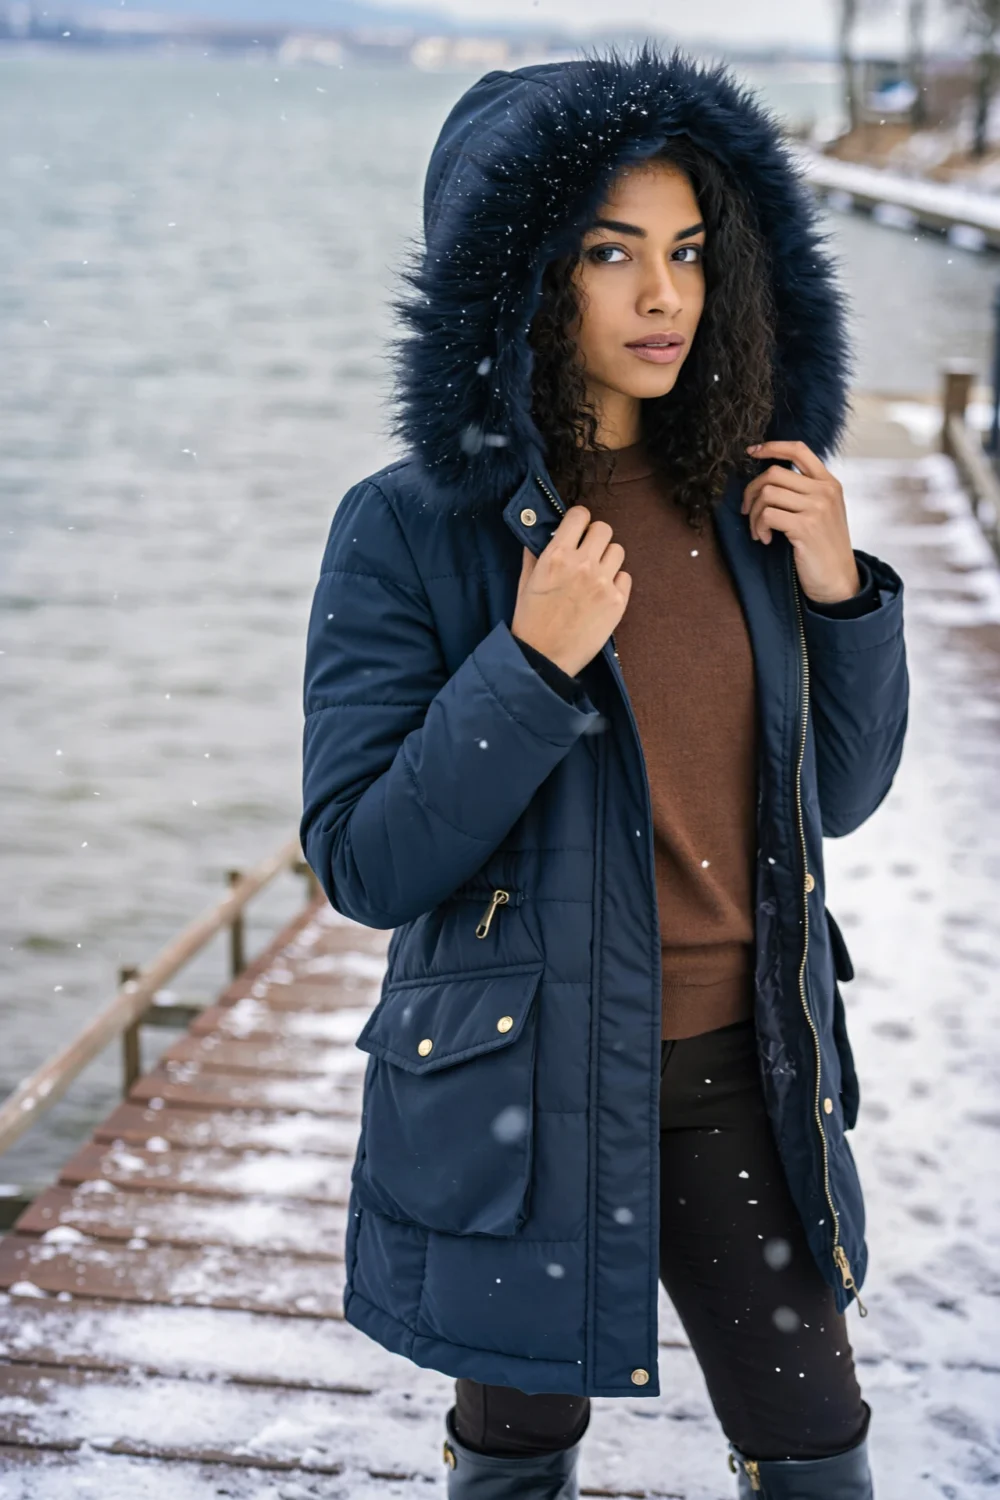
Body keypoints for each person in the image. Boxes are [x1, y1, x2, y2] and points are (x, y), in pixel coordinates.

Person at [300, 43, 909, 1499]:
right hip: (525, 1086)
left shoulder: (748, 500)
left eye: (691, 253)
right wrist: (528, 663)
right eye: (610, 254)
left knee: (815, 1442)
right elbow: (365, 861)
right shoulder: (409, 531)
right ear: (519, 279)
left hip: (742, 1072)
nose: (663, 299)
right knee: (519, 1448)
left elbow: (833, 799)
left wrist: (841, 598)